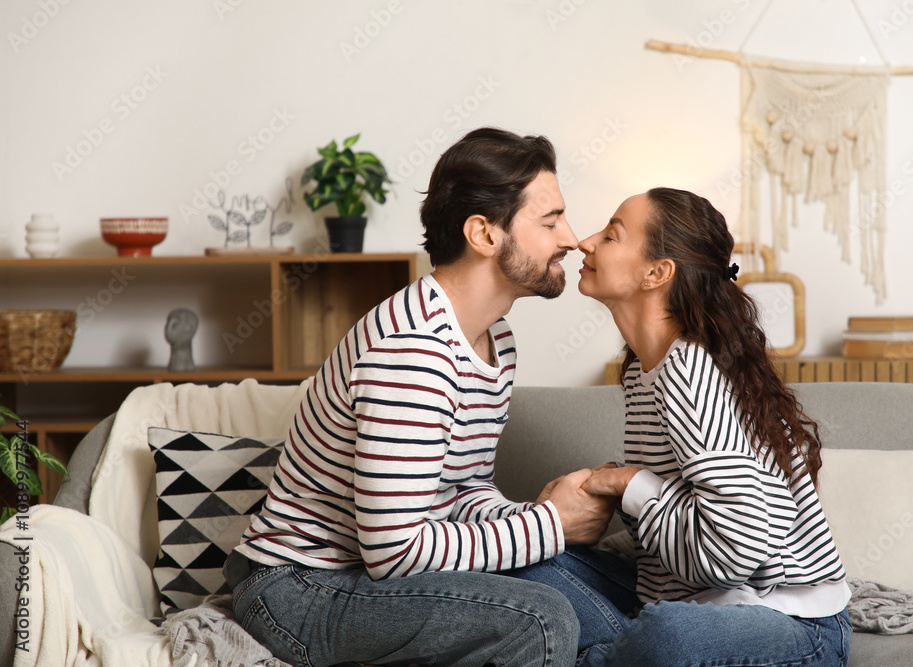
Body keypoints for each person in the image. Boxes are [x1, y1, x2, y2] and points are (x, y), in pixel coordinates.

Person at [223, 127, 616, 667]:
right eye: (550, 221)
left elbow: (461, 489)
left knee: (592, 582)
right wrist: (549, 524)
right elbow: (393, 552)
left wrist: (533, 518)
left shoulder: (494, 336)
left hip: (362, 573)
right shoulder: (414, 352)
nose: (572, 238)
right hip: (300, 586)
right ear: (483, 233)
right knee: (541, 619)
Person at [534, 187, 853, 665]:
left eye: (613, 235)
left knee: (666, 637)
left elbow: (737, 550)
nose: (586, 242)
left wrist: (627, 482)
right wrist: (604, 496)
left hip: (789, 624)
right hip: (691, 602)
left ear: (656, 273)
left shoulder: (688, 369)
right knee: (536, 568)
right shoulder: (644, 369)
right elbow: (681, 535)